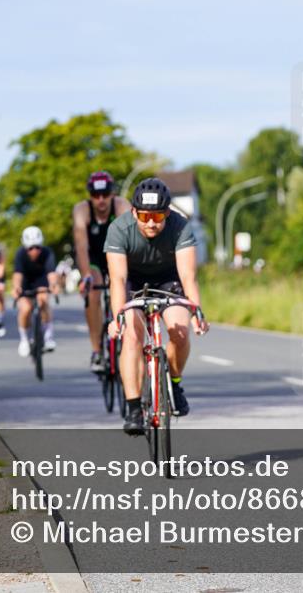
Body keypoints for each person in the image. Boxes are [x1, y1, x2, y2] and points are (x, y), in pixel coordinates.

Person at [105, 177, 208, 435]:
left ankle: (173, 383)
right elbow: (117, 280)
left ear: (168, 212)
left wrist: (196, 311)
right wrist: (117, 317)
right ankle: (133, 408)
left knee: (180, 332)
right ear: (133, 212)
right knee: (132, 336)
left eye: (159, 216)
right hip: (133, 283)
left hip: (169, 280)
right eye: (144, 216)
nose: (151, 222)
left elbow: (188, 277)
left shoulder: (180, 226)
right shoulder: (119, 229)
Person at [73, 171, 131, 371]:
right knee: (93, 292)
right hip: (95, 258)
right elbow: (81, 246)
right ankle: (97, 350)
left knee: (127, 289)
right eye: (96, 195)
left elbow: (132, 240)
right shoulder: (82, 210)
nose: (101, 200)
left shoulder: (122, 206)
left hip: (119, 255)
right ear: (90, 196)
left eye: (105, 194)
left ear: (112, 194)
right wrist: (86, 275)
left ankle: (131, 339)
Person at [11, 226, 59, 357]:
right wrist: (16, 287)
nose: (34, 251)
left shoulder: (47, 253)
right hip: (25, 283)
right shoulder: (20, 254)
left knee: (43, 301)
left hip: (41, 281)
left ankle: (48, 337)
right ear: (26, 248)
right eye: (30, 248)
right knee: (25, 308)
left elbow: (51, 274)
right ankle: (24, 339)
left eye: (37, 247)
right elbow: (17, 275)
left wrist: (54, 285)